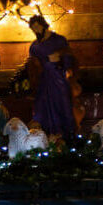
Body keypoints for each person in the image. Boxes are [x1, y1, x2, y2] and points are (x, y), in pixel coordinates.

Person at [17, 13, 80, 144]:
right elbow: (32, 63)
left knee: (62, 104)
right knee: (42, 106)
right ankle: (45, 135)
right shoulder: (34, 46)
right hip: (42, 81)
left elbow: (68, 55)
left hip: (58, 77)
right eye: (33, 28)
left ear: (43, 25)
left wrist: (65, 66)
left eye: (37, 26)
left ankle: (67, 136)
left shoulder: (58, 40)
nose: (35, 30)